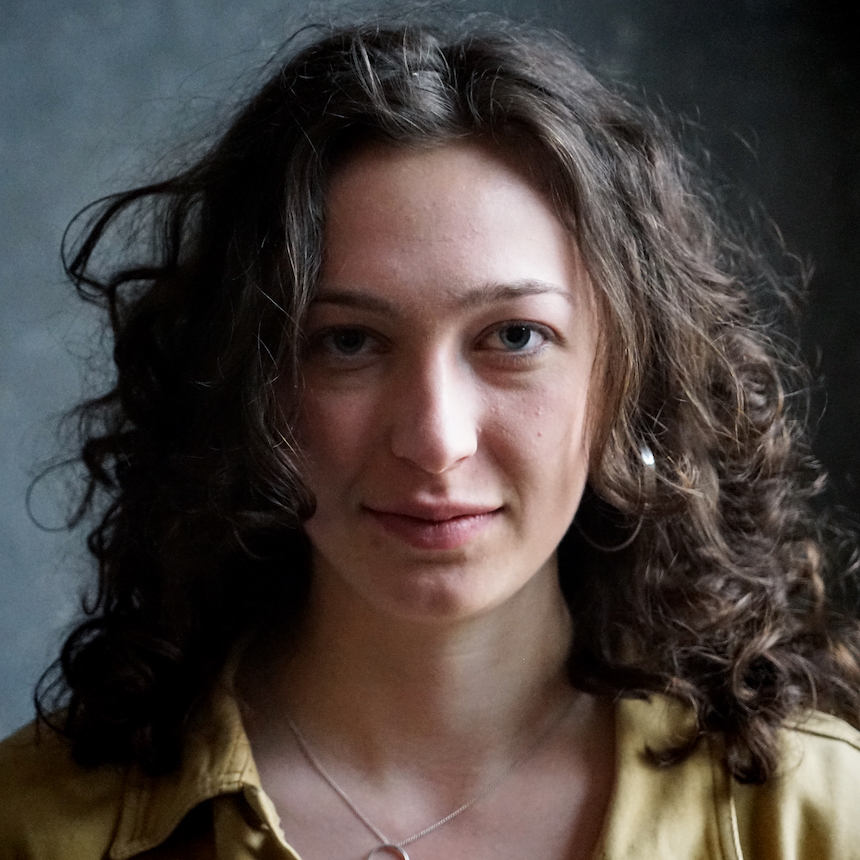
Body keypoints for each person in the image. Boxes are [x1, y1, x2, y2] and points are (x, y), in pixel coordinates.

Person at [2, 12, 860, 860]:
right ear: (250, 383)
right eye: (349, 342)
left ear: (627, 378)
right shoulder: (33, 827)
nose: (436, 440)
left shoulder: (817, 819)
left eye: (515, 336)